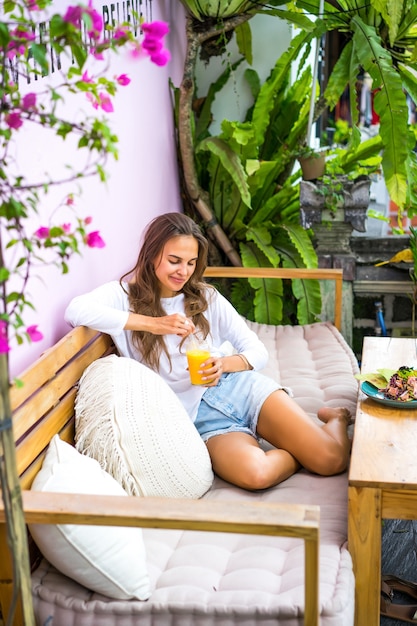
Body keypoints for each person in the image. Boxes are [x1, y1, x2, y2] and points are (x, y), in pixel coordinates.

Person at [65, 212, 352, 491]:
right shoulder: (123, 297)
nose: (183, 271)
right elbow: (76, 310)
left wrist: (223, 364)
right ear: (152, 255)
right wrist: (154, 324)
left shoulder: (206, 297)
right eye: (174, 261)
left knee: (331, 460)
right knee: (257, 474)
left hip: (238, 389)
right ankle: (300, 449)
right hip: (201, 418)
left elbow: (257, 351)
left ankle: (336, 418)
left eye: (191, 263)